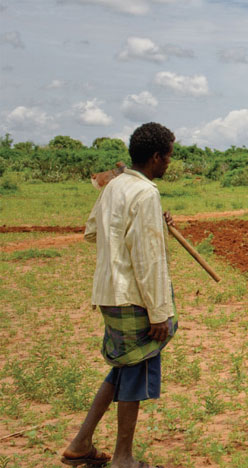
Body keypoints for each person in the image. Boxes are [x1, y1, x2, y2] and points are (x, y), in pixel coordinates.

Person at [61, 122, 177, 468]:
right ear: (157, 157)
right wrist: (159, 313)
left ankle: (81, 443)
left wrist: (156, 222)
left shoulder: (115, 186)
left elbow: (92, 232)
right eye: (169, 156)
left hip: (109, 294)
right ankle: (123, 458)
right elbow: (148, 260)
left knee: (123, 369)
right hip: (134, 298)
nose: (169, 163)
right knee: (136, 372)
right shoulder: (146, 193)